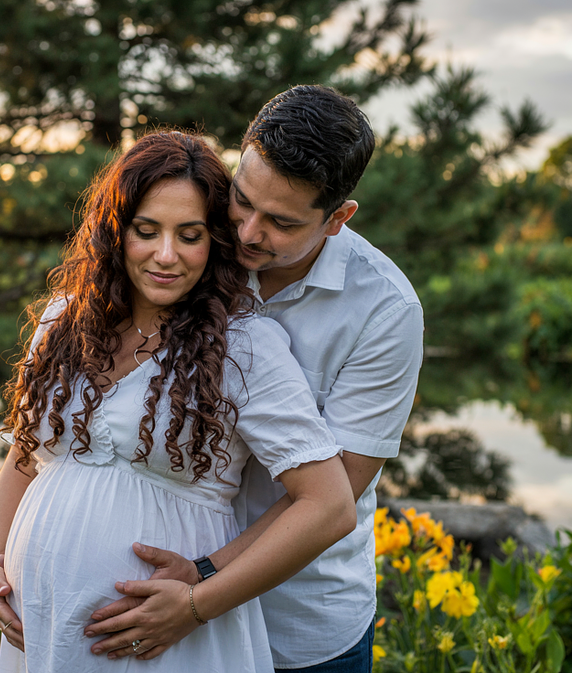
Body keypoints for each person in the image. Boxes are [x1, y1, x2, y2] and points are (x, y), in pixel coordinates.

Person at [0, 130, 359, 673]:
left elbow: (330, 506)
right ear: (116, 231)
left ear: (215, 242)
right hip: (44, 624)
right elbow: (25, 458)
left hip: (171, 642)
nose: (165, 255)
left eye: (190, 235)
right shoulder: (63, 322)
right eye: (146, 230)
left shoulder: (244, 347)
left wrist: (197, 604)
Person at [84, 86, 424, 672]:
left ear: (338, 218)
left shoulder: (385, 311)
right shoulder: (193, 247)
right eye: (242, 200)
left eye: (282, 222)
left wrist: (205, 583)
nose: (245, 233)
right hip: (166, 597)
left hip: (300, 620)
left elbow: (334, 490)